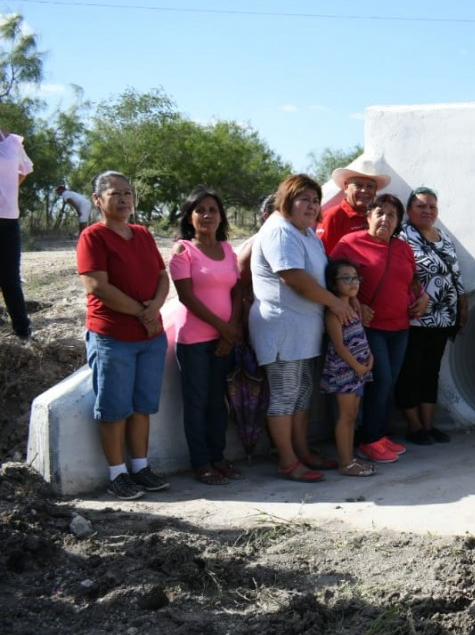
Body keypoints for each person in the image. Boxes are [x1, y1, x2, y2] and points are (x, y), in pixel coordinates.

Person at [250, 174, 355, 483]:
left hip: (304, 330)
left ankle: (301, 451)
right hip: (282, 327)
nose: (311, 206)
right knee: (285, 395)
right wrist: (336, 305)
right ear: (287, 200)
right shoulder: (280, 231)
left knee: (302, 393)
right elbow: (294, 277)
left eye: (314, 200)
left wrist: (345, 296)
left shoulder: (306, 233)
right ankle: (287, 460)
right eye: (304, 199)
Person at [77, 171, 171, 500]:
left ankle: (140, 468)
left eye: (128, 193)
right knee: (114, 408)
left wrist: (155, 308)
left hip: (150, 336)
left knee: (142, 406)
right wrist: (143, 313)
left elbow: (162, 276)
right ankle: (117, 473)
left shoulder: (142, 234)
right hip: (113, 336)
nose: (124, 199)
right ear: (98, 200)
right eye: (115, 193)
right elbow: (97, 286)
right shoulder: (93, 237)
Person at [330, 194, 427, 462]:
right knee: (380, 381)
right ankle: (369, 439)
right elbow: (331, 278)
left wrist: (423, 297)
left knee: (389, 383)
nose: (386, 218)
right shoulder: (350, 243)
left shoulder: (403, 248)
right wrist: (356, 302)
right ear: (369, 216)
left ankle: (379, 435)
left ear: (398, 222)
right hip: (369, 327)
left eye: (392, 215)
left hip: (401, 326)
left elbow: (413, 281)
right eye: (380, 213)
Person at [169, 186, 243, 485]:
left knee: (217, 402)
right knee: (197, 402)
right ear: (189, 216)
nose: (207, 215)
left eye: (213, 209)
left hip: (224, 340)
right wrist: (224, 328)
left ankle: (218, 457)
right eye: (200, 210)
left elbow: (238, 291)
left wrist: (231, 330)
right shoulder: (183, 250)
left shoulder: (227, 249)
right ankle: (201, 463)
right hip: (195, 341)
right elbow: (187, 297)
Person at [395, 187, 467, 445]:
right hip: (415, 316)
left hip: (444, 316)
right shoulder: (402, 235)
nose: (427, 211)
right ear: (409, 210)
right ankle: (414, 426)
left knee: (431, 371)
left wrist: (462, 304)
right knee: (411, 371)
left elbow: (454, 274)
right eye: (421, 206)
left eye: (432, 207)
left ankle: (428, 424)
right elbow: (403, 271)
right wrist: (421, 294)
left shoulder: (443, 237)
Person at [320, 259, 377, 477]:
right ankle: (345, 462)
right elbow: (339, 345)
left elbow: (360, 337)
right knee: (345, 416)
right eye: (346, 278)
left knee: (352, 415)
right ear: (333, 284)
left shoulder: (354, 307)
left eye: (355, 278)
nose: (353, 282)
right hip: (345, 370)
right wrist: (357, 367)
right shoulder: (334, 312)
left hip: (359, 370)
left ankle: (351, 459)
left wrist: (369, 357)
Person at [0, 126, 33, 339]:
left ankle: (22, 331)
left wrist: (8, 194)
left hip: (8, 217)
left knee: (10, 277)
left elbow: (24, 171)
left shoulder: (12, 142)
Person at [316, 162, 391, 254]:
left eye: (370, 186)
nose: (364, 190)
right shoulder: (334, 215)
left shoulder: (376, 217)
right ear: (346, 188)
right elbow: (319, 253)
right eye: (358, 185)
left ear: (375, 191)